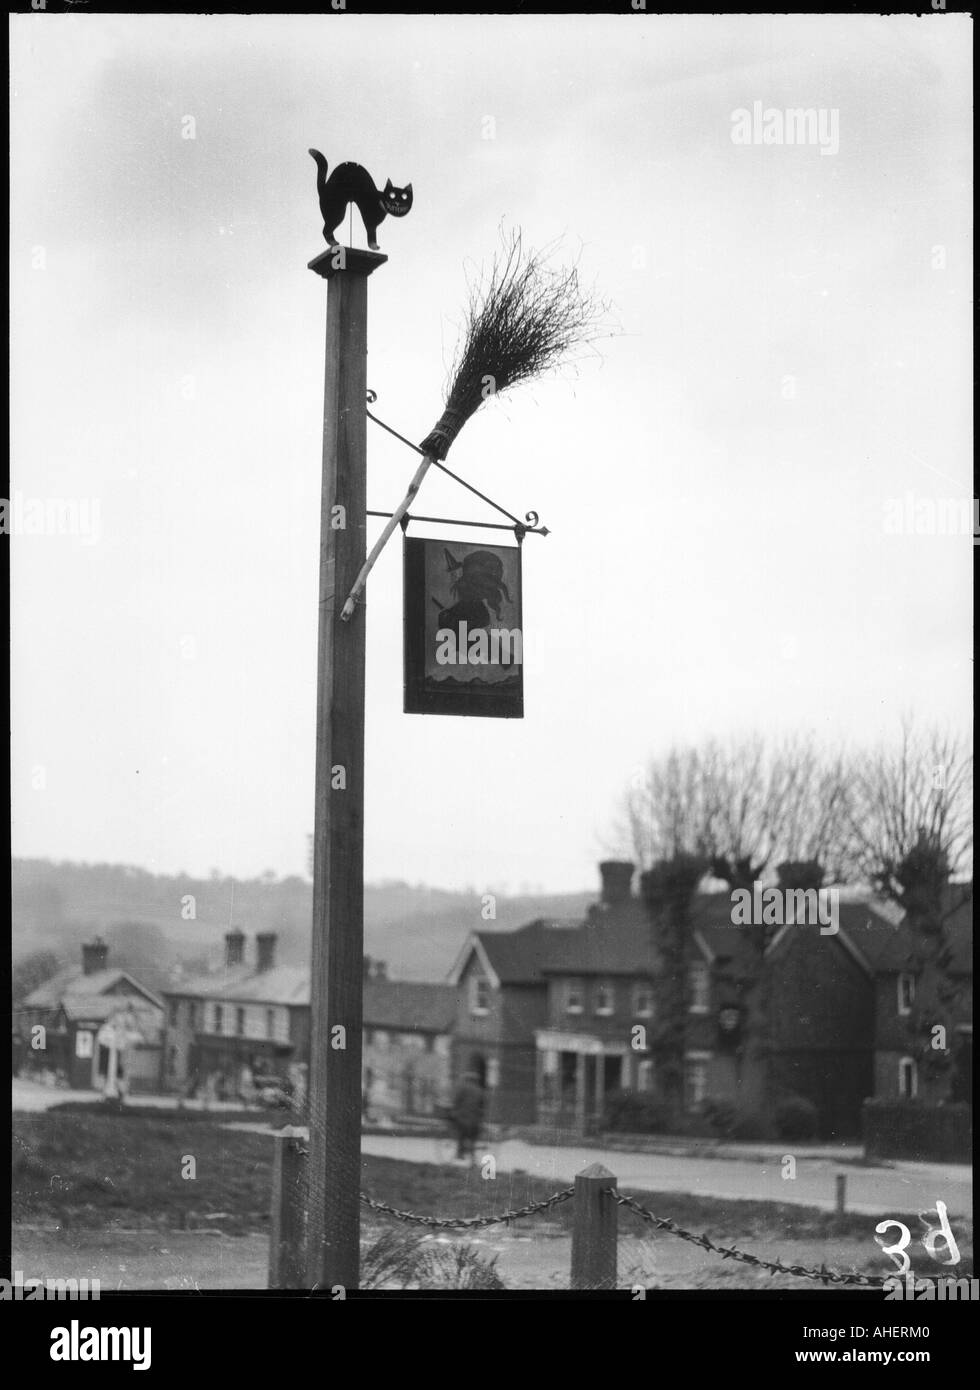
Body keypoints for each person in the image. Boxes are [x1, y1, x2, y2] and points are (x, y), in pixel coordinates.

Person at [449, 1070, 484, 1162]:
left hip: (462, 1116)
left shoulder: (463, 1088)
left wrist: (454, 1110)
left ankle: (460, 1152)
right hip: (474, 1119)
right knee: (472, 1136)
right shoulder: (479, 1090)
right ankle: (472, 1155)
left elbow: (456, 1100)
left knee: (461, 1132)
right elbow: (482, 1104)